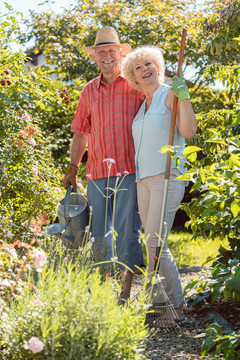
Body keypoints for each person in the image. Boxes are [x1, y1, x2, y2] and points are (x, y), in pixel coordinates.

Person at [63, 27, 145, 300]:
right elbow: (80, 132)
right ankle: (100, 294)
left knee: (126, 232)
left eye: (111, 51)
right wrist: (73, 168)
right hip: (96, 173)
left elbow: (156, 115)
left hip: (129, 171)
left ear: (121, 53)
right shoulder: (88, 91)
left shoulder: (136, 85)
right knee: (98, 236)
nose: (107, 56)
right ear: (95, 57)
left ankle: (124, 295)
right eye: (101, 52)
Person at [121, 45, 197, 321]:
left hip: (167, 176)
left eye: (149, 64)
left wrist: (184, 96)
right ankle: (157, 302)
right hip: (145, 180)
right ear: (134, 77)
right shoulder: (143, 105)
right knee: (150, 242)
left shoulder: (169, 95)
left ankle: (176, 308)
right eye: (139, 67)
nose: (145, 69)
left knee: (156, 243)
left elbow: (188, 131)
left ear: (158, 68)